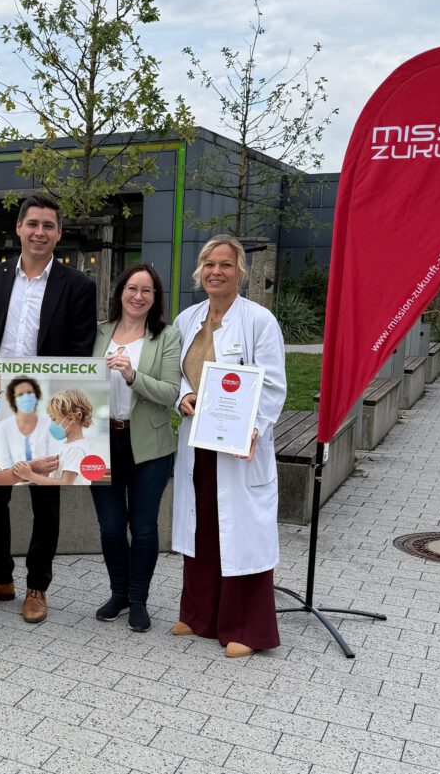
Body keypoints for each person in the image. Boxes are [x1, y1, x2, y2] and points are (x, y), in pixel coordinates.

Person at [0, 193, 97, 623]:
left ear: (59, 233)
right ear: (19, 228)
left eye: (48, 225)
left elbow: (81, 353)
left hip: (47, 406)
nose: (39, 232)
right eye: (33, 224)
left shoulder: (78, 285)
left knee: (46, 500)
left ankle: (37, 586)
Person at [171, 235, 287, 657]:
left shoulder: (258, 321)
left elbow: (272, 384)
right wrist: (182, 396)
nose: (216, 272)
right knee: (201, 526)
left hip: (239, 449)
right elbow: (176, 372)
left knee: (240, 532)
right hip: (197, 442)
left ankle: (246, 629)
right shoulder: (187, 319)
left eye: (225, 265)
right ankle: (199, 615)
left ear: (241, 272)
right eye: (209, 264)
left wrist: (253, 428)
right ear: (199, 271)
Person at [89, 264, 180, 632]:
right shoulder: (99, 332)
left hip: (149, 446)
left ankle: (139, 599)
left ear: (155, 298)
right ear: (120, 292)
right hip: (101, 442)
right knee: (111, 527)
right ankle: (119, 594)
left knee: (142, 527)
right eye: (132, 288)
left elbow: (170, 393)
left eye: (146, 290)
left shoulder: (167, 337)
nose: (138, 296)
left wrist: (132, 376)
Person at [13, 388, 95, 486]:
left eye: (54, 419)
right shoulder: (66, 446)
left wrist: (30, 475)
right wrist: (44, 474)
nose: (51, 424)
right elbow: (57, 478)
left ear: (71, 418)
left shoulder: (76, 449)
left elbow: (65, 483)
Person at [0, 378, 52, 467]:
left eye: (29, 392)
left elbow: (53, 460)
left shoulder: (49, 424)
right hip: (13, 477)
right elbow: (3, 464)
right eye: (20, 394)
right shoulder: (4, 427)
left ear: (36, 395)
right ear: (13, 400)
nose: (26, 397)